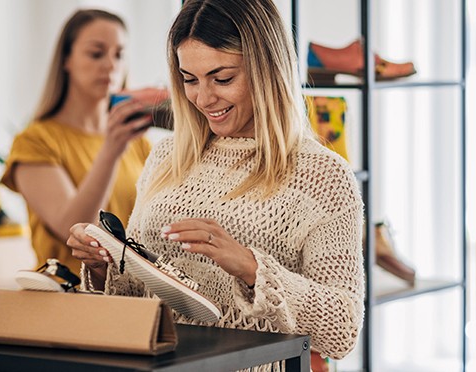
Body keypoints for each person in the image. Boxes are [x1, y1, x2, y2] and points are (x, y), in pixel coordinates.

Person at [66, 0, 365, 367]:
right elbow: (136, 297)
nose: (204, 99)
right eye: (189, 80)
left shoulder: (323, 175)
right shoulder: (165, 158)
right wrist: (103, 265)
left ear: (267, 69)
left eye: (222, 78)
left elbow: (342, 328)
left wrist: (251, 268)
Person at [1, 9, 152, 273]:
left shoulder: (138, 143)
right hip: (69, 300)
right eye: (96, 53)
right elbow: (73, 227)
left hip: (132, 299)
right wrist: (112, 150)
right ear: (66, 60)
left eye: (118, 54)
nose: (110, 65)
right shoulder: (35, 142)